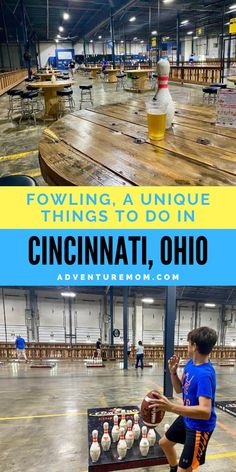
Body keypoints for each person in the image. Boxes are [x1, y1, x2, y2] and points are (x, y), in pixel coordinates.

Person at [149, 327, 218, 472]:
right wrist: (173, 372)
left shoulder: (204, 375)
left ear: (195, 347)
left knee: (185, 469)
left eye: (188, 344)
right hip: (187, 418)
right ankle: (174, 469)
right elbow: (179, 389)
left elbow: (205, 411)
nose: (187, 346)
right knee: (164, 443)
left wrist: (171, 407)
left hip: (199, 428)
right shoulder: (190, 364)